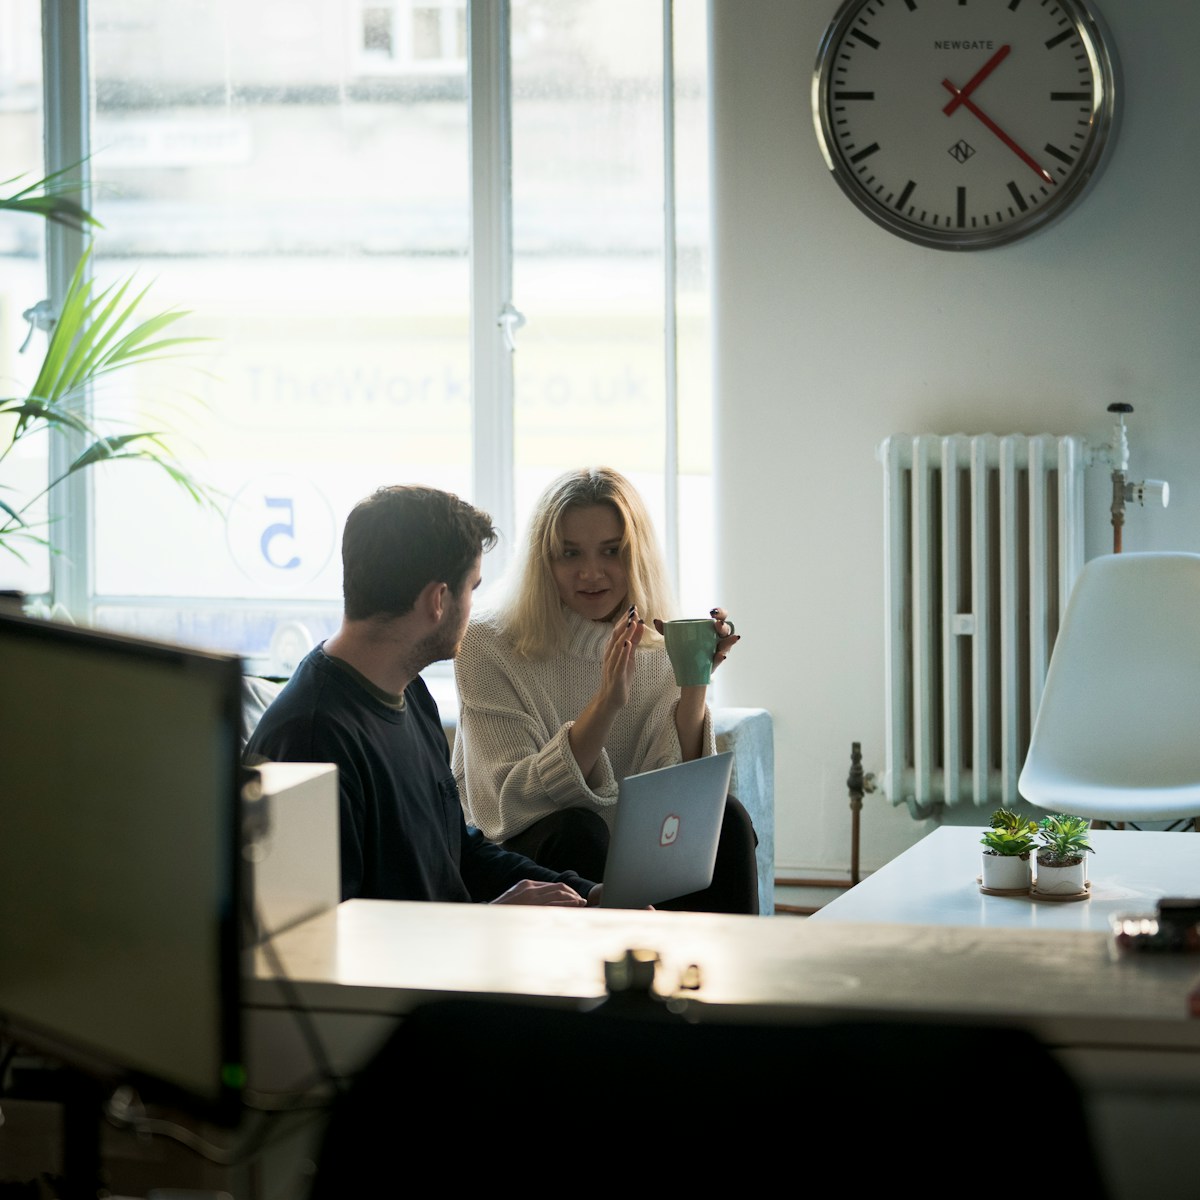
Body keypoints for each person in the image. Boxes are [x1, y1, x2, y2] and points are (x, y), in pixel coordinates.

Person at [244, 484, 600, 908]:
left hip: (449, 954)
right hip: (416, 972)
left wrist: (591, 894)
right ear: (437, 600)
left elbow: (457, 852)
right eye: (472, 588)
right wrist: (493, 923)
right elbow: (331, 946)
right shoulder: (312, 740)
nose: (473, 605)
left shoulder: (408, 689)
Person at [452, 466, 759, 914]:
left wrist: (694, 682)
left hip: (635, 856)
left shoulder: (653, 645)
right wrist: (606, 703)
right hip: (532, 860)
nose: (591, 573)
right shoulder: (486, 642)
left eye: (611, 551)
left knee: (726, 821)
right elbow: (506, 803)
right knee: (577, 829)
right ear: (543, 560)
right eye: (570, 554)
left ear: (636, 555)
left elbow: (678, 794)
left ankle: (725, 978)